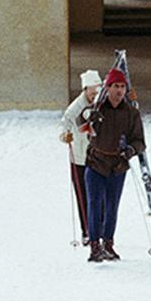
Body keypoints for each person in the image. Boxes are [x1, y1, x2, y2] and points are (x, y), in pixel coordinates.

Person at [82, 67, 143, 261]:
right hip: (96, 163)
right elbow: (80, 118)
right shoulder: (97, 109)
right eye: (115, 86)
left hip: (117, 166)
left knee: (111, 206)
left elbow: (140, 141)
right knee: (94, 204)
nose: (119, 91)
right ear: (107, 88)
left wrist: (131, 150)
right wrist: (89, 118)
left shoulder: (132, 113)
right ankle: (94, 245)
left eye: (122, 87)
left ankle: (108, 243)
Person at [58, 68, 102, 248]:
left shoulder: (101, 103)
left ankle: (100, 230)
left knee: (100, 196)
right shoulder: (74, 109)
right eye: (91, 93)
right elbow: (64, 128)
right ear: (85, 90)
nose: (94, 96)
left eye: (97, 92)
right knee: (84, 196)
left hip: (99, 157)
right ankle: (87, 231)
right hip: (80, 158)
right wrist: (64, 136)